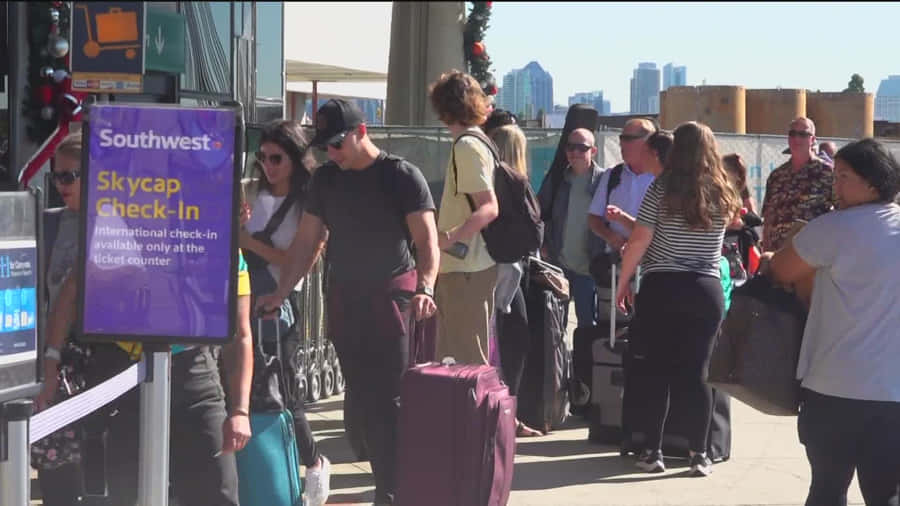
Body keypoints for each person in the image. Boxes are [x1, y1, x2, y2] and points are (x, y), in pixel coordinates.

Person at [35, 132, 254, 505]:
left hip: (193, 373)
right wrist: (52, 363)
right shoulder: (119, 230)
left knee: (216, 492)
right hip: (123, 372)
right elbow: (71, 294)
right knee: (128, 493)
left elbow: (243, 335)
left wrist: (240, 410)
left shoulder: (219, 247)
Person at [256, 98, 439, 505]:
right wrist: (281, 293)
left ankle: (390, 493)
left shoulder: (401, 176)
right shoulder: (326, 180)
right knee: (360, 401)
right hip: (344, 298)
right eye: (325, 147)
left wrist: (425, 287)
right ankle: (386, 477)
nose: (331, 153)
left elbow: (427, 242)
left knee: (388, 399)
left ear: (361, 132)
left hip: (393, 297)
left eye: (337, 144)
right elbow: (307, 242)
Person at [766, 138, 900, 505]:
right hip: (892, 393)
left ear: (873, 182)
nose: (834, 185)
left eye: (843, 176)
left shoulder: (832, 228)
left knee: (827, 488)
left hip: (833, 388)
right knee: (886, 492)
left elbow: (780, 270)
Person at [615, 122, 740, 477]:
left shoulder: (662, 188)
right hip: (706, 289)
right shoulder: (721, 189)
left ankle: (653, 452)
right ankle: (699, 453)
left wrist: (625, 281)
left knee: (657, 371)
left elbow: (639, 240)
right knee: (698, 373)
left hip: (662, 287)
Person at [239, 119, 330, 506]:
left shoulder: (308, 204)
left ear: (294, 158)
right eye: (262, 158)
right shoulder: (253, 193)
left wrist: (246, 240)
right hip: (245, 300)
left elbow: (297, 259)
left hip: (280, 305)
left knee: (284, 392)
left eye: (276, 158)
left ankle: (313, 463)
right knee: (248, 391)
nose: (268, 166)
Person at [429, 70, 499, 366]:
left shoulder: (467, 147)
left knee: (465, 360)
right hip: (473, 265)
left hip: (465, 267)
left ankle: (473, 414)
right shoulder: (481, 142)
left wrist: (447, 237)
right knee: (460, 356)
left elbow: (488, 207)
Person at [488, 124, 543, 438]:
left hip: (497, 267)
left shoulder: (489, 181)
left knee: (503, 341)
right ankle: (507, 413)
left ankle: (505, 413)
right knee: (513, 342)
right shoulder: (513, 183)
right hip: (506, 269)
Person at [536, 127, 606, 328]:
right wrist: (544, 244)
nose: (574, 152)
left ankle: (584, 360)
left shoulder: (604, 181)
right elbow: (540, 212)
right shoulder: (558, 180)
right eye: (570, 147)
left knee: (587, 324)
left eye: (581, 148)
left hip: (589, 268)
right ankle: (560, 360)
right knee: (556, 323)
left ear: (593, 151)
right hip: (560, 265)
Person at [761, 117, 835, 252]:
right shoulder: (777, 176)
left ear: (812, 139)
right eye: (792, 134)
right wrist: (766, 253)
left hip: (813, 253)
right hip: (780, 253)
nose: (797, 139)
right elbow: (768, 218)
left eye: (803, 134)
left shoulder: (826, 172)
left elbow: (840, 212)